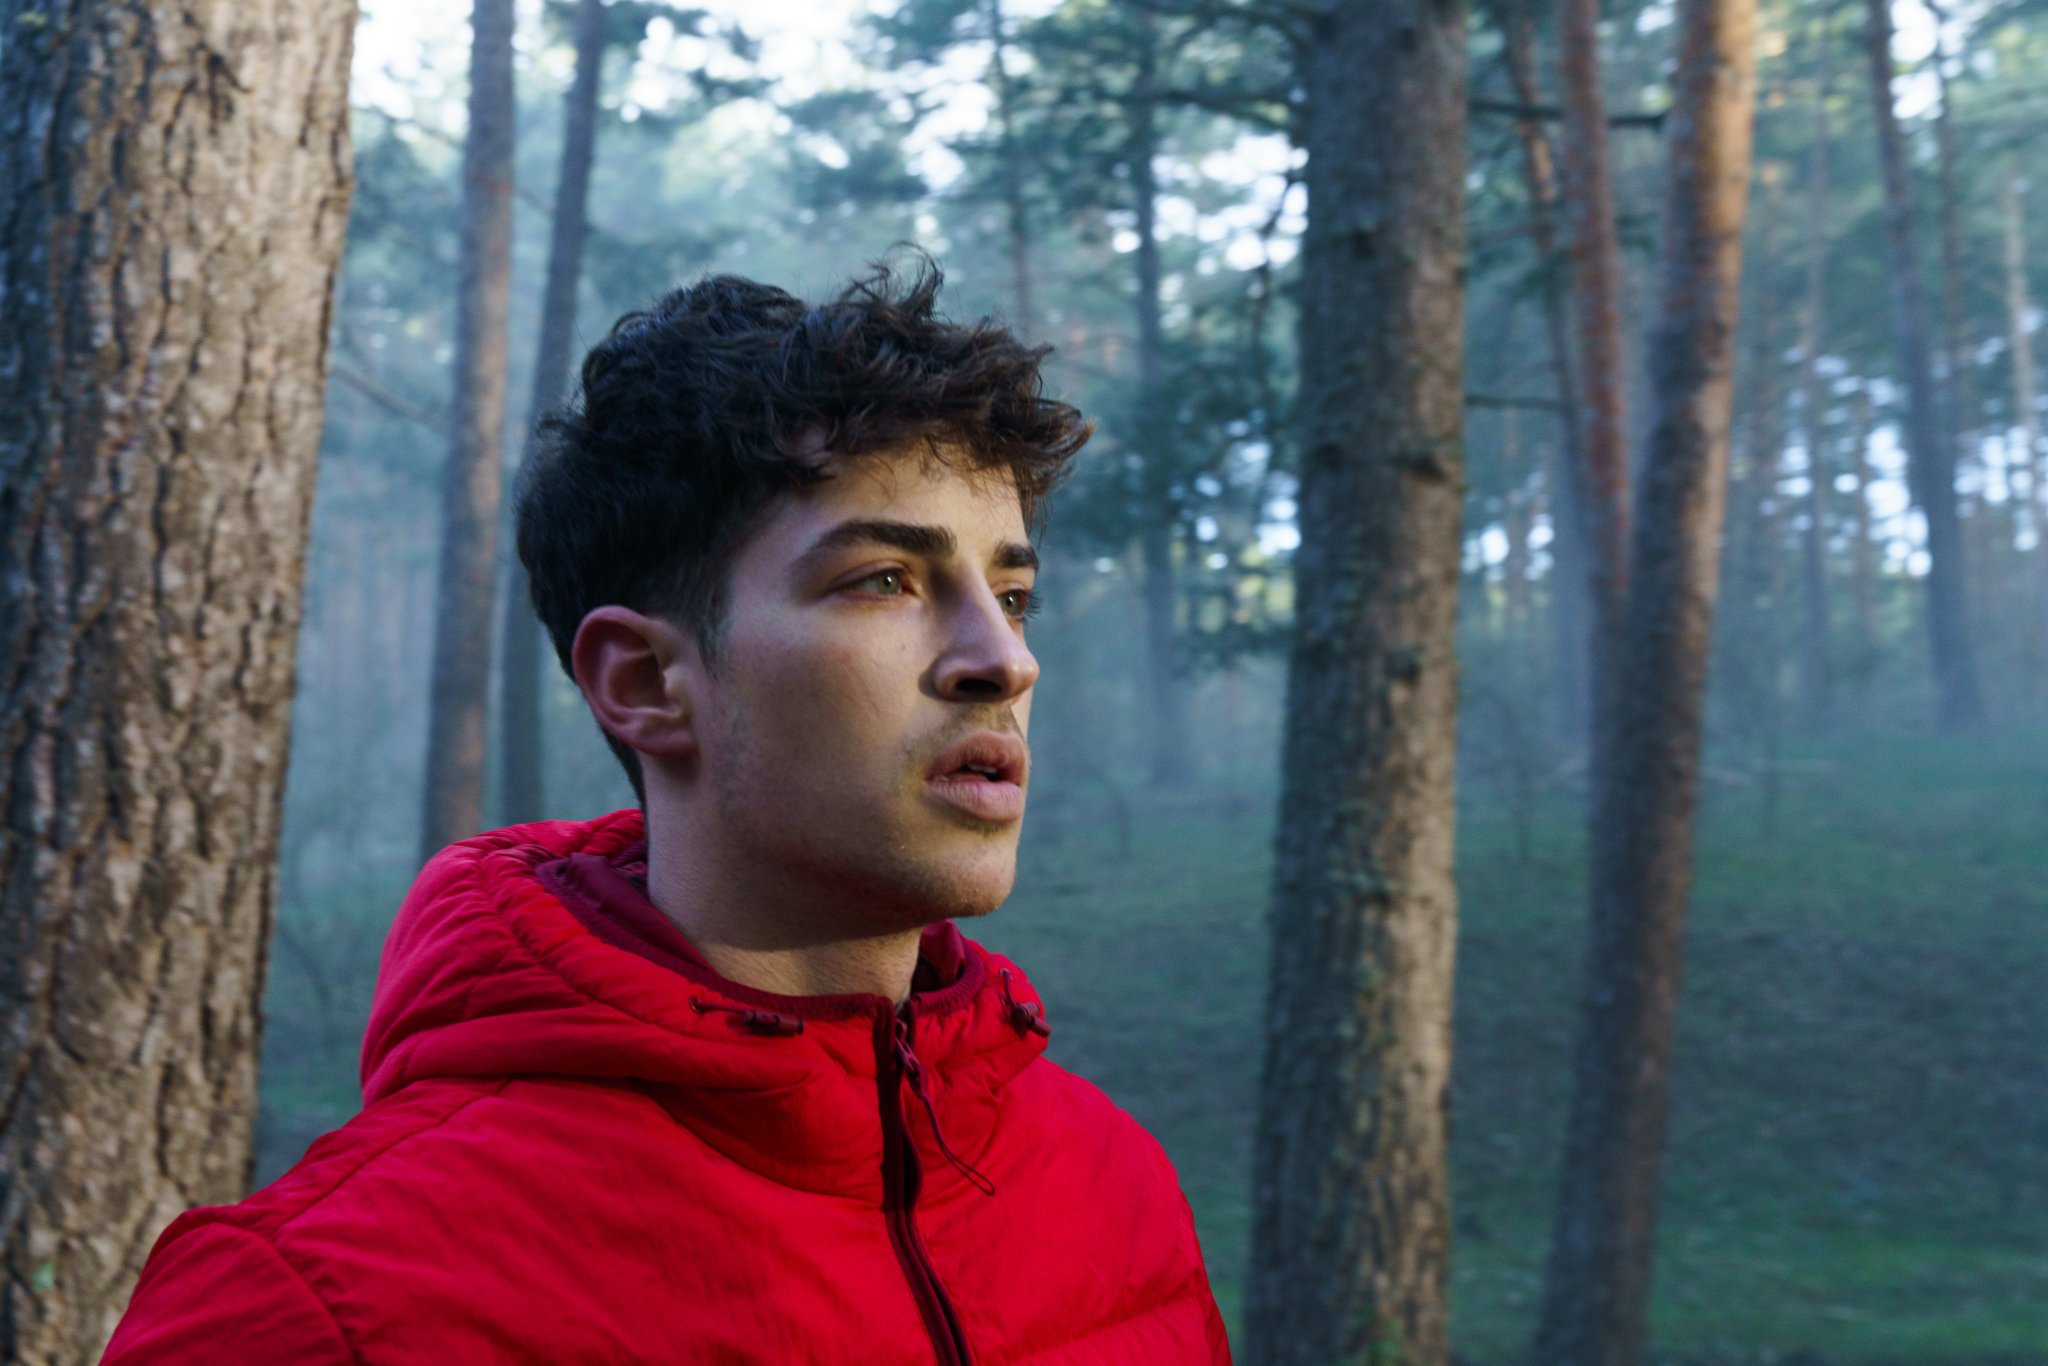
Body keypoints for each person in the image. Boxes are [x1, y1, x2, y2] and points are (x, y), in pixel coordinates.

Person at [103, 260, 1231, 1363]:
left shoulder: (1112, 1184)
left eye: (1013, 594)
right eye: (885, 578)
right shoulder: (307, 1307)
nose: (1003, 660)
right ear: (643, 683)